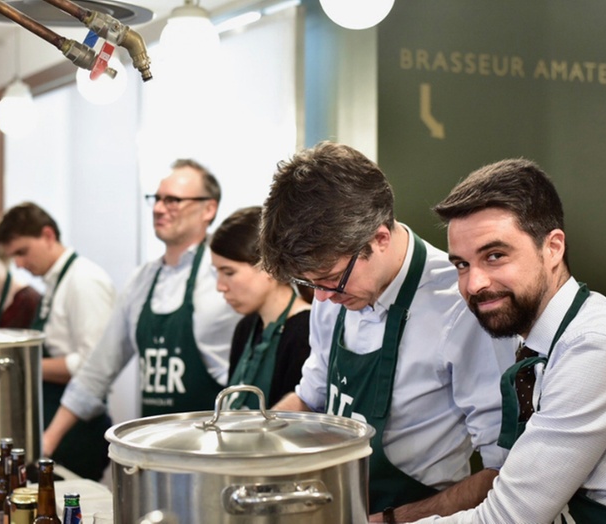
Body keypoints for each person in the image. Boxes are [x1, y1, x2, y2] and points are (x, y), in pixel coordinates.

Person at [414, 158, 606, 523]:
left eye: (495, 256)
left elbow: (507, 519)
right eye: (462, 265)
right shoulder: (536, 344)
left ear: (553, 248)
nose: (474, 284)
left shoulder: (597, 347)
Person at [258, 142, 515, 521]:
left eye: (331, 280)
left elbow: (502, 474)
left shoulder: (461, 305)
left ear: (379, 238)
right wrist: (245, 446)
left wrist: (389, 521)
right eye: (311, 285)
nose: (323, 299)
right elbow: (310, 399)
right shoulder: (333, 293)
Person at [42, 159, 240, 454]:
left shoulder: (225, 278)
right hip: (157, 452)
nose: (159, 209)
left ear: (208, 209)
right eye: (157, 199)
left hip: (217, 453)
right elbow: (98, 368)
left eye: (172, 200)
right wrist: (47, 441)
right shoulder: (141, 281)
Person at [0, 202, 116, 481]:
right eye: (13, 256)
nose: (19, 264)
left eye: (22, 252)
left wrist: (24, 365)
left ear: (48, 235)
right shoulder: (54, 282)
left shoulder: (84, 281)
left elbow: (92, 365)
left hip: (78, 431)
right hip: (53, 419)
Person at [210, 206, 311, 409]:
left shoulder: (306, 331)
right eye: (217, 272)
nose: (220, 286)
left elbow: (297, 427)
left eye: (229, 273)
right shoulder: (245, 328)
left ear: (269, 267)